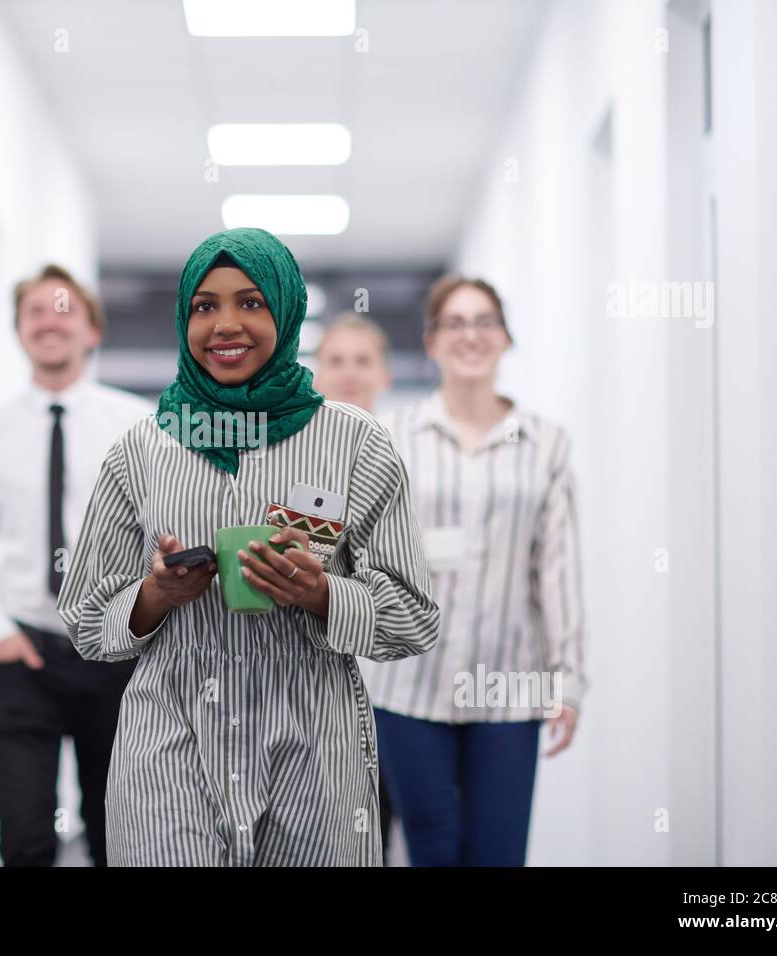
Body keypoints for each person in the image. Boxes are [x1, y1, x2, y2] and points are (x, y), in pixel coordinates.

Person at [57, 227, 439, 866]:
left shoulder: (355, 442)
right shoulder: (142, 449)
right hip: (169, 737)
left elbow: (413, 617)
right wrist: (155, 594)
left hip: (314, 743)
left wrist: (320, 594)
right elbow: (86, 620)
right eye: (205, 306)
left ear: (286, 311)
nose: (225, 324)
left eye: (251, 303)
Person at [360, 275, 588, 866]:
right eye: (454, 323)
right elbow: (365, 551)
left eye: (484, 321)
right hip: (408, 684)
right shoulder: (392, 436)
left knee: (499, 854)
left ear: (506, 338)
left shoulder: (546, 444)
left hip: (511, 687)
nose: (471, 335)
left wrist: (568, 678)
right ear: (432, 342)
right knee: (433, 850)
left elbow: (557, 565)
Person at [0, 264, 151, 867]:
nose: (49, 322)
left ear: (92, 331)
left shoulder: (138, 427)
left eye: (64, 310)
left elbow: (158, 533)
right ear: (19, 330)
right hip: (24, 660)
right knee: (24, 841)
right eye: (36, 311)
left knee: (117, 837)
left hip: (115, 657)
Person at [311, 312, 400, 862]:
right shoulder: (299, 457)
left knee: (380, 822)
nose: (348, 373)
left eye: (362, 361)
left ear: (385, 375)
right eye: (336, 361)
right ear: (316, 373)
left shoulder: (409, 454)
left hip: (398, 682)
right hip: (315, 677)